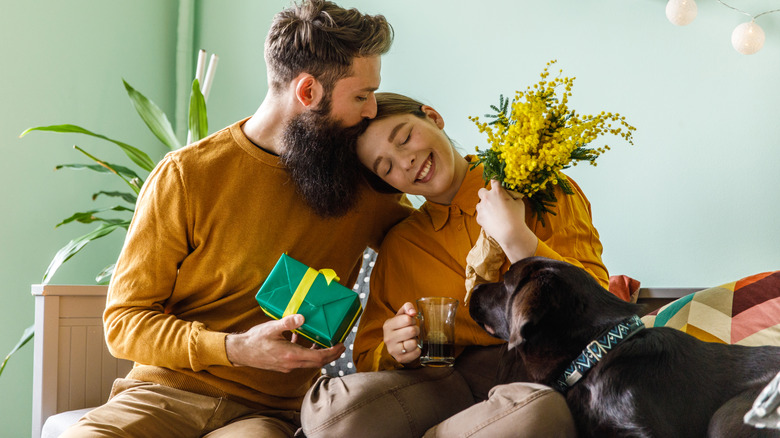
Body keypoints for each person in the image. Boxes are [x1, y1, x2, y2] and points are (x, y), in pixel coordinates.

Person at [62, 2, 413, 437]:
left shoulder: (364, 186)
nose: (372, 111)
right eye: (361, 95)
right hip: (161, 396)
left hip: (264, 414)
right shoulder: (187, 175)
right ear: (308, 92)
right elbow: (124, 322)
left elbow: (432, 235)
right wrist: (235, 349)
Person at [301, 93, 611, 437]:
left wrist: (518, 239)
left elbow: (600, 304)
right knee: (334, 412)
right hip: (446, 382)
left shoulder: (540, 189)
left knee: (534, 413)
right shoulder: (402, 245)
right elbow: (370, 354)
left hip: (542, 377)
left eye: (404, 138)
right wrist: (393, 348)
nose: (405, 162)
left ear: (433, 117)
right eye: (385, 167)